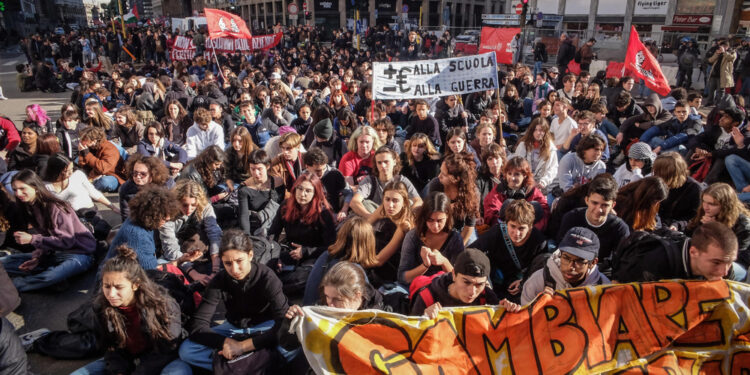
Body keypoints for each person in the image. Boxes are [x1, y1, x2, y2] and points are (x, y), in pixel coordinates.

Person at [179, 229, 291, 372]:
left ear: (250, 255)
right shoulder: (219, 280)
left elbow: (282, 323)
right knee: (187, 350)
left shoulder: (267, 277)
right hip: (233, 330)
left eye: (239, 261)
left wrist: (242, 347)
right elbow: (198, 324)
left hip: (265, 328)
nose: (235, 269)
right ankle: (255, 363)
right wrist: (225, 342)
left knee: (293, 345)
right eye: (228, 263)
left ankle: (233, 366)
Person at [71, 245, 190, 375]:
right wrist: (118, 370)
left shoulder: (163, 305)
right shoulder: (102, 307)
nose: (111, 294)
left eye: (118, 287)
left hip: (162, 359)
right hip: (128, 358)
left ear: (136, 285)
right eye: (107, 286)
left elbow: (169, 349)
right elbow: (111, 347)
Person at [1, 169, 96, 292]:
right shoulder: (29, 207)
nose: (18, 193)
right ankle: (47, 273)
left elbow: (67, 241)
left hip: (80, 254)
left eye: (22, 188)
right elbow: (46, 237)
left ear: (35, 187)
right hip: (55, 252)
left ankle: (12, 288)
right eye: (14, 190)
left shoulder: (56, 207)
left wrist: (32, 239)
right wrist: (37, 258)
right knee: (6, 262)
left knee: (50, 276)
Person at [471, 200, 548, 300]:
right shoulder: (496, 233)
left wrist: (524, 281)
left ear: (530, 227)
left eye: (521, 228)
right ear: (506, 223)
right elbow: (471, 252)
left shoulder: (539, 241)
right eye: (512, 226)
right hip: (497, 282)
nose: (516, 233)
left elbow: (542, 269)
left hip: (525, 288)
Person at [410, 248, 521, 318]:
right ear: (453, 275)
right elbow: (411, 337)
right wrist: (423, 318)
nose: (472, 292)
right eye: (466, 282)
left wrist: (508, 311)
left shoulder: (485, 295)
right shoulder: (427, 297)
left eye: (479, 284)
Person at [612, 221, 738, 282]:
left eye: (730, 262)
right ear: (693, 252)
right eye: (716, 262)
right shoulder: (653, 262)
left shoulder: (724, 269)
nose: (724, 271)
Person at [556, 173, 630, 270]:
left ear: (613, 205)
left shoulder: (619, 228)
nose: (598, 209)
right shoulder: (571, 218)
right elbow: (561, 247)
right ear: (587, 200)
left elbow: (620, 260)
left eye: (605, 205)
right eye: (595, 203)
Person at [268, 173, 337, 275]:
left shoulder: (323, 213)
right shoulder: (285, 206)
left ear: (315, 193)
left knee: (298, 278)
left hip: (314, 256)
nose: (302, 194)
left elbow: (331, 246)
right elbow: (273, 233)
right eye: (299, 189)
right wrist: (274, 257)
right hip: (290, 252)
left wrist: (305, 251)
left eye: (308, 191)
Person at [521, 227, 610, 305]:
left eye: (579, 261)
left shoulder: (605, 289)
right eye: (566, 258)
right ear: (560, 254)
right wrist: (538, 307)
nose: (571, 267)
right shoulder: (539, 280)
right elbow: (525, 318)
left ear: (593, 262)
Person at [159, 179, 223, 283]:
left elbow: (214, 232)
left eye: (193, 205)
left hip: (195, 244)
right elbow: (170, 248)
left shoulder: (204, 206)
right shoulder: (167, 214)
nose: (189, 209)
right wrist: (194, 274)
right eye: (184, 205)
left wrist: (215, 268)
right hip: (173, 250)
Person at [398, 191, 465, 286]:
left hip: (444, 288)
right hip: (416, 288)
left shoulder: (455, 239)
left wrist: (444, 261)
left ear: (447, 216)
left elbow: (460, 278)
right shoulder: (413, 236)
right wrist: (425, 265)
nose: (435, 226)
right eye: (430, 220)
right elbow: (402, 277)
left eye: (440, 221)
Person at [686, 183, 750, 280]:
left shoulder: (743, 224)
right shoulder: (707, 212)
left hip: (734, 263)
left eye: (712, 204)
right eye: (704, 202)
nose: (706, 207)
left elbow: (738, 255)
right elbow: (690, 235)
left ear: (725, 205)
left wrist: (715, 229)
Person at [106, 187, 179, 271]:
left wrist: (180, 260)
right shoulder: (137, 236)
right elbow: (151, 272)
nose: (168, 218)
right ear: (150, 214)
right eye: (163, 215)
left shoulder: (138, 220)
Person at [350, 146, 421, 217]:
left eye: (386, 162)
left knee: (410, 202)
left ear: (394, 162)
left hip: (398, 215)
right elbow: (354, 202)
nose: (383, 166)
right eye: (379, 163)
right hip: (376, 214)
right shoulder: (370, 180)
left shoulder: (402, 180)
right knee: (366, 203)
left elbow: (418, 201)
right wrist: (370, 217)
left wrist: (406, 216)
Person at [426, 153, 481, 244]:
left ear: (456, 179)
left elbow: (469, 226)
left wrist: (458, 248)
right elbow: (430, 215)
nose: (439, 176)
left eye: (444, 174)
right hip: (438, 226)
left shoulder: (473, 193)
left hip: (461, 230)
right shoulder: (436, 185)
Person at [483, 157, 549, 230]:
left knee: (535, 205)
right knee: (508, 203)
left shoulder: (532, 191)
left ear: (525, 175)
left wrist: (527, 230)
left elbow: (544, 213)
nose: (512, 178)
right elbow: (491, 213)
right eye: (509, 174)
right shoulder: (499, 190)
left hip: (529, 231)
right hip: (505, 232)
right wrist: (510, 229)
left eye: (516, 174)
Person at [44, 154, 119, 215]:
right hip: (67, 219)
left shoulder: (77, 175)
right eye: (66, 171)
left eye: (72, 169)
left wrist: (112, 206)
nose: (70, 172)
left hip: (88, 212)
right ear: (56, 171)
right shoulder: (46, 186)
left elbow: (93, 192)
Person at [237, 149, 286, 235]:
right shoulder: (245, 188)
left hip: (275, 226)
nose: (256, 173)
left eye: (259, 169)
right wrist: (247, 238)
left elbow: (280, 208)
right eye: (252, 169)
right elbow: (243, 216)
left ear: (267, 166)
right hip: (256, 228)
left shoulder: (278, 183)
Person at [652, 152, 702, 231]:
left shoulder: (694, 189)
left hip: (675, 229)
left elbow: (694, 217)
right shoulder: (656, 183)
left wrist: (677, 225)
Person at [118, 154, 173, 222]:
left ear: (152, 174)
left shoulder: (166, 185)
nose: (138, 177)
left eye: (143, 174)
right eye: (135, 173)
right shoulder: (126, 189)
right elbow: (126, 216)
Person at [512, 117, 558, 194]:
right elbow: (517, 165)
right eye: (535, 130)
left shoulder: (551, 148)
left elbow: (552, 169)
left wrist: (543, 182)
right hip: (524, 182)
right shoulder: (523, 145)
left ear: (545, 132)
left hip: (541, 185)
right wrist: (528, 180)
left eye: (540, 130)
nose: (537, 133)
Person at [77, 126, 127, 193]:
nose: (81, 142)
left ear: (93, 140)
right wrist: (82, 153)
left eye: (84, 139)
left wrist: (86, 154)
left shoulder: (109, 148)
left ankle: (86, 190)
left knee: (104, 182)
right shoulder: (89, 148)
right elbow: (82, 165)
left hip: (112, 176)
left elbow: (103, 168)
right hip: (95, 175)